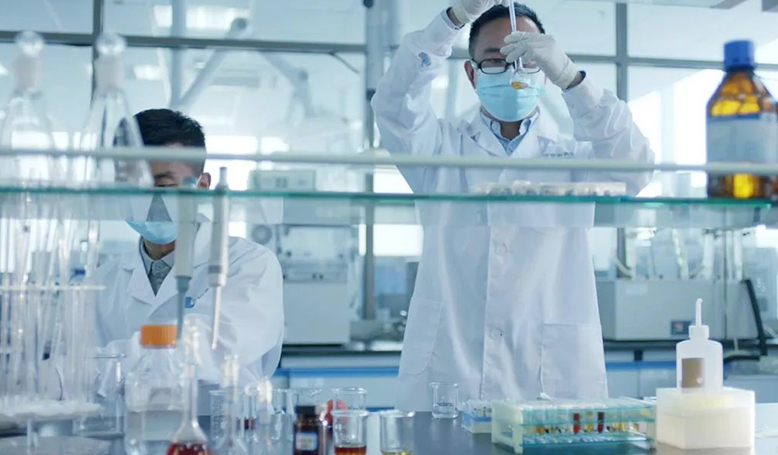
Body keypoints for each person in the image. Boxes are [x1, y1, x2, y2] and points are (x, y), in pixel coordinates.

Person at [372, 1, 654, 410]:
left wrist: (572, 79)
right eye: (495, 61)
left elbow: (637, 166)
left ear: (546, 70)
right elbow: (394, 105)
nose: (513, 73)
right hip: (451, 373)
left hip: (550, 382)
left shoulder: (576, 159)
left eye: (527, 59)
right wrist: (452, 19)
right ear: (471, 74)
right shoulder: (438, 150)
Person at [95, 109, 284, 383]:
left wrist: (98, 369)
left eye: (163, 186)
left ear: (203, 186)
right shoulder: (102, 281)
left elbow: (208, 347)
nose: (144, 200)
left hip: (219, 412)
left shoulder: (250, 264)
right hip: (127, 413)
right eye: (131, 187)